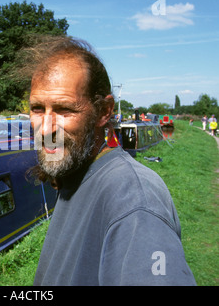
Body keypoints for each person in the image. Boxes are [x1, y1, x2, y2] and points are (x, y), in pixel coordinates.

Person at [26, 36, 196, 286]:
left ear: (104, 112)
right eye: (38, 108)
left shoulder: (134, 201)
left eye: (65, 110)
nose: (45, 129)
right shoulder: (75, 175)